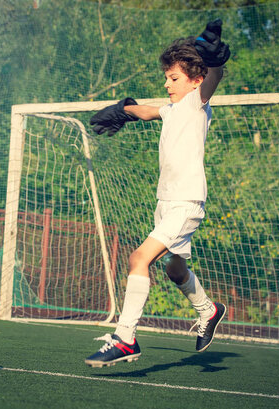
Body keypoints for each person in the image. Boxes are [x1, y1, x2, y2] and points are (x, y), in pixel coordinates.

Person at [85, 20, 231, 368]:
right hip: (166, 204)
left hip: (185, 202)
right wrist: (124, 109)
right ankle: (209, 310)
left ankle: (125, 339)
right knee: (174, 268)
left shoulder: (198, 101)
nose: (167, 84)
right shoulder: (172, 109)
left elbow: (213, 78)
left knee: (139, 259)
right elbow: (149, 111)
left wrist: (214, 63)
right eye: (166, 77)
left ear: (194, 80)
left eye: (174, 78)